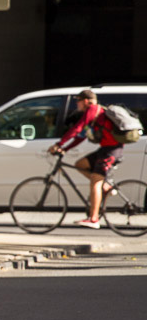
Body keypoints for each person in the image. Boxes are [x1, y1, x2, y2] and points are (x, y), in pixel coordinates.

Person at [48, 89, 120, 228]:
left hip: (111, 151)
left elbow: (77, 128)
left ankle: (94, 219)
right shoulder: (96, 114)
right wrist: (65, 149)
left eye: (78, 101)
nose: (77, 104)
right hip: (105, 149)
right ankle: (106, 186)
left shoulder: (92, 110)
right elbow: (81, 136)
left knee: (95, 182)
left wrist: (58, 144)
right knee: (80, 164)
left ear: (86, 101)